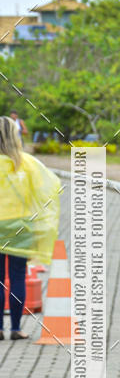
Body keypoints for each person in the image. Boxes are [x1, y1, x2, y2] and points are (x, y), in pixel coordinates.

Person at [0, 116, 61, 340]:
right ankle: (16, 328)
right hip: (21, 226)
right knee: (17, 276)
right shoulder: (27, 163)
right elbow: (50, 187)